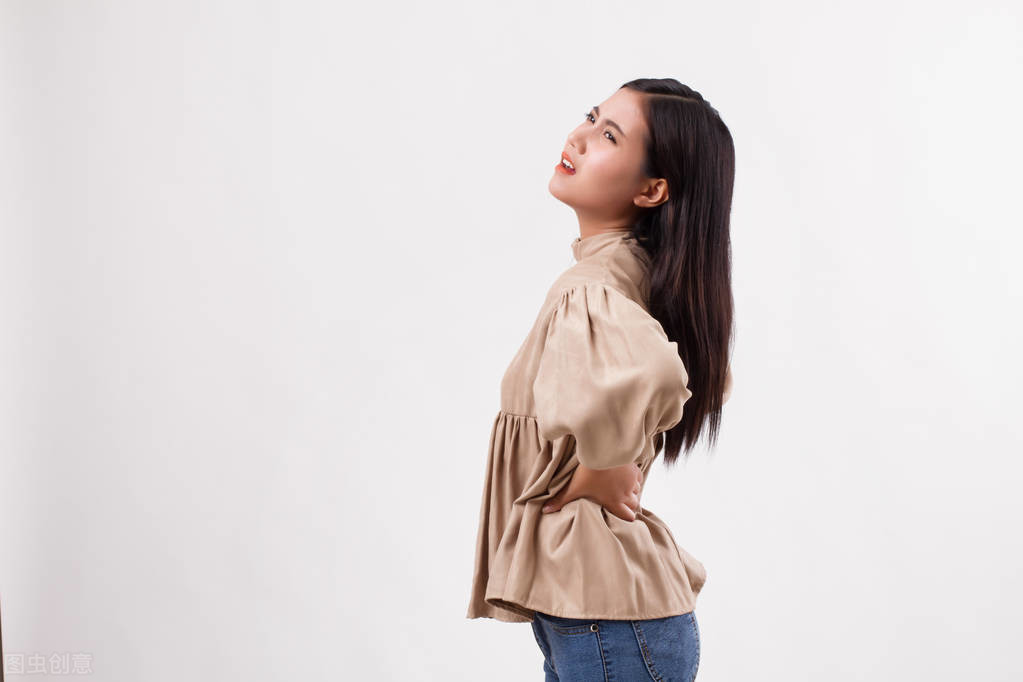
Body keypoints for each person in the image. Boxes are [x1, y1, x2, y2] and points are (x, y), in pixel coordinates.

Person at [466, 78, 735, 682]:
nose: (579, 138)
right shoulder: (633, 274)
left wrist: (602, 462)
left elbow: (659, 371)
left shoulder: (592, 288)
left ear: (652, 189)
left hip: (610, 626)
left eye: (609, 136)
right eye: (591, 118)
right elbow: (698, 374)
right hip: (602, 621)